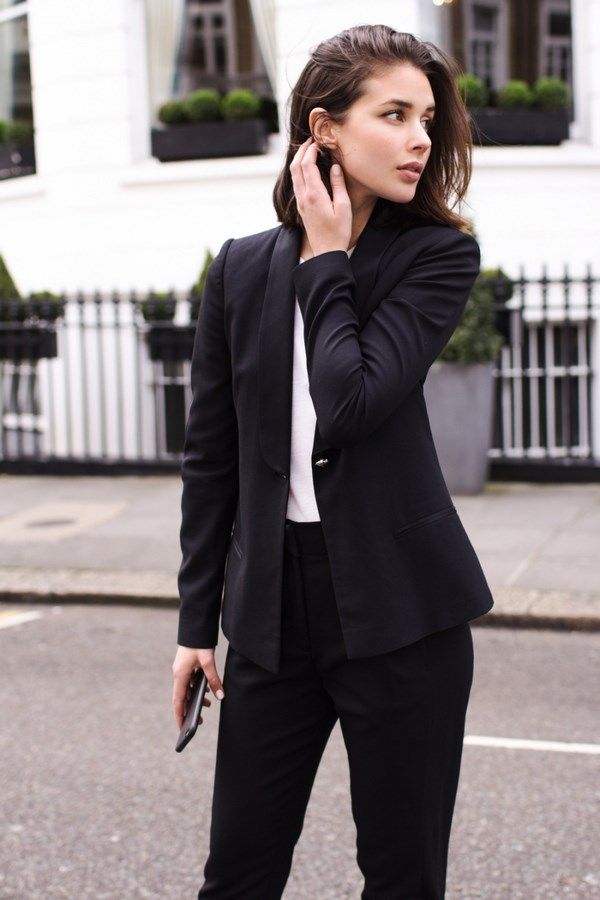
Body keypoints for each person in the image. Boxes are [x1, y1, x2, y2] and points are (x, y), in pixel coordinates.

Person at [172, 23, 495, 900]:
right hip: (273, 615)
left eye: (426, 118)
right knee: (237, 873)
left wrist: (325, 257)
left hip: (402, 616)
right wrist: (196, 625)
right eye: (394, 114)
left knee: (400, 878)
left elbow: (349, 402)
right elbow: (212, 458)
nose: (421, 138)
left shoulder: (436, 256)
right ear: (325, 129)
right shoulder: (241, 269)